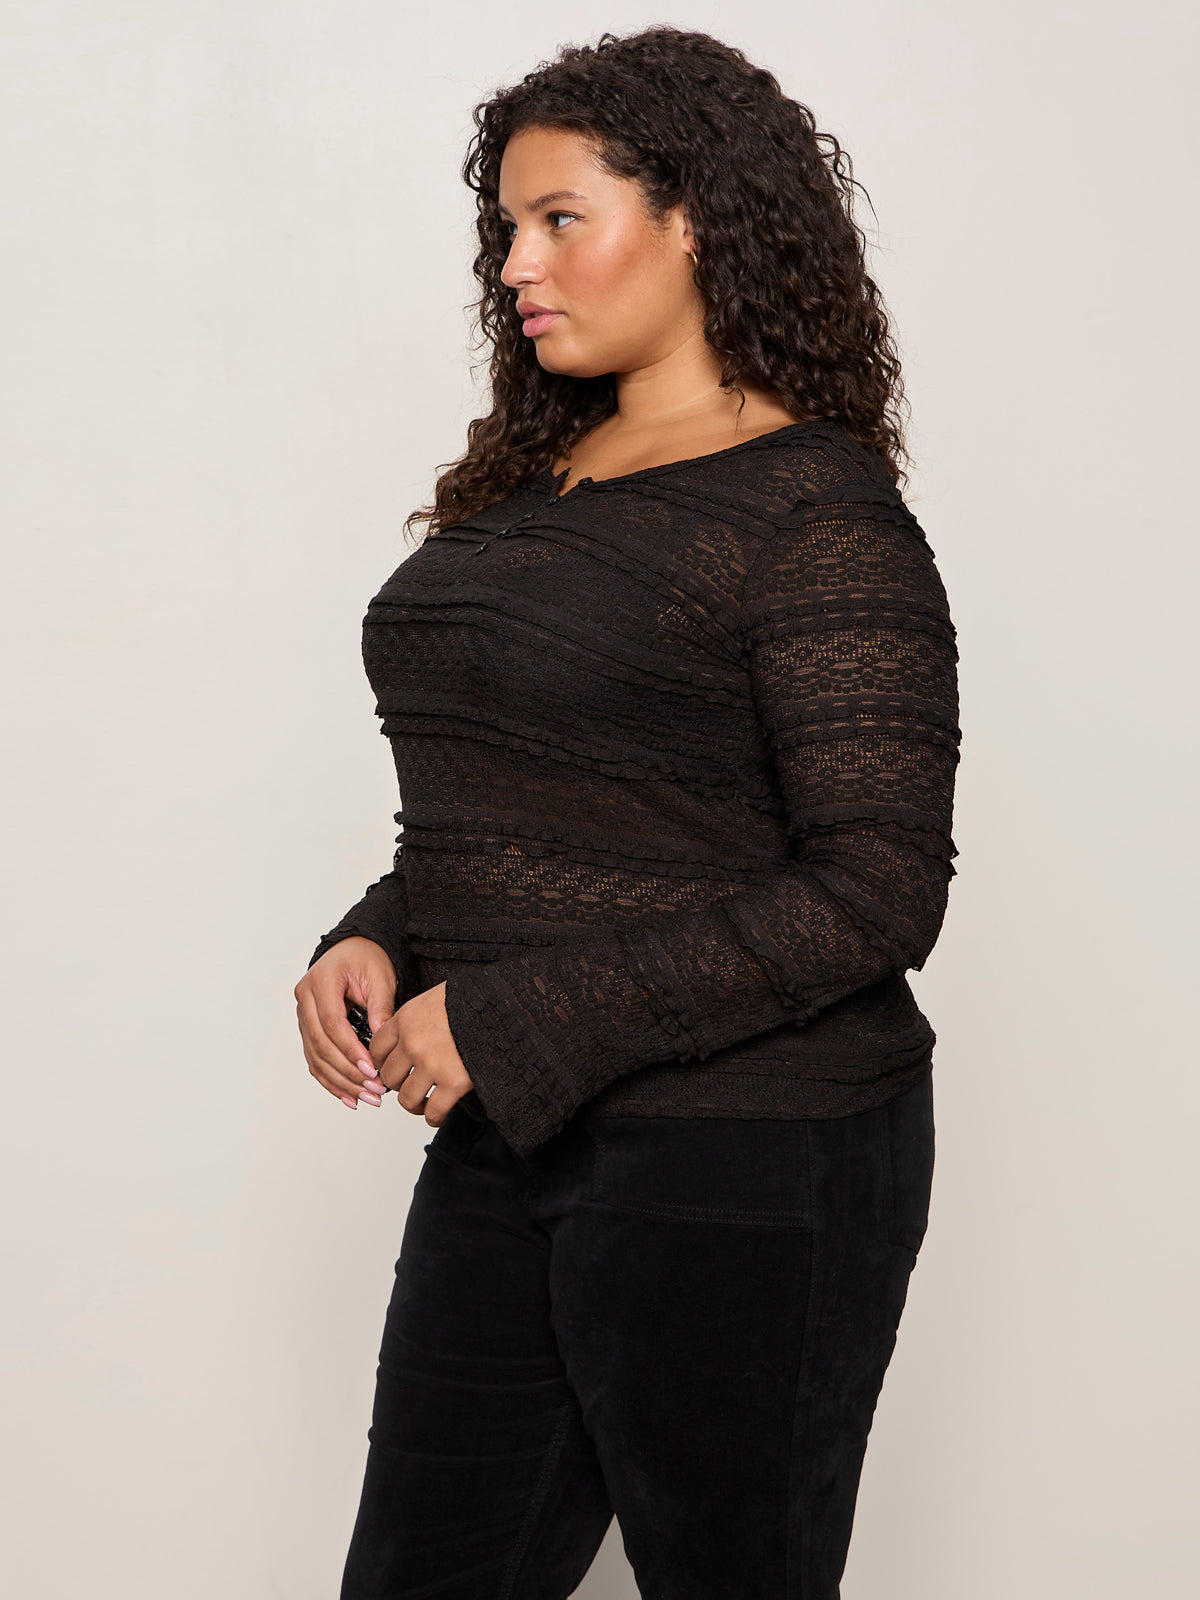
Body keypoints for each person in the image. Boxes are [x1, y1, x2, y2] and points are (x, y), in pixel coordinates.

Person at [293, 25, 961, 1600]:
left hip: (756, 1156)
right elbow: (542, 804)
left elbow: (874, 891)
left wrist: (509, 1021)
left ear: (698, 222)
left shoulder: (820, 513)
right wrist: (376, 935)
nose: (518, 265)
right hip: (518, 1126)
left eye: (559, 220)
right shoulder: (541, 485)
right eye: (503, 229)